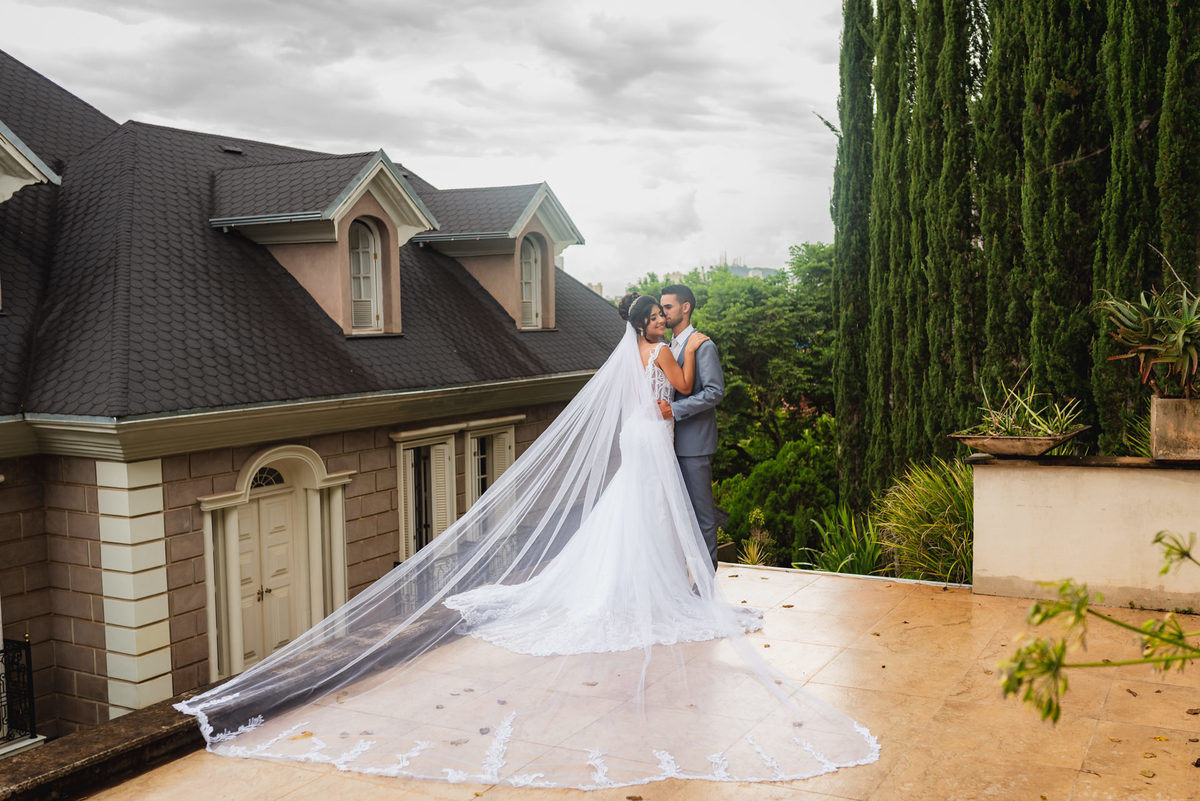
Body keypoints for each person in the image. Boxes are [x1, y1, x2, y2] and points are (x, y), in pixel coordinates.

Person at [174, 297, 878, 789]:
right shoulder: (665, 350)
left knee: (633, 511)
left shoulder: (624, 350)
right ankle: (656, 585)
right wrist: (678, 364)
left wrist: (664, 387)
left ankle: (621, 583)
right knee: (655, 514)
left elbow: (645, 394)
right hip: (655, 434)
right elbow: (684, 386)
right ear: (650, 321)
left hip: (636, 438)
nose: (666, 319)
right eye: (660, 315)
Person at [658, 284, 724, 570]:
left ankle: (706, 586)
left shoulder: (703, 345)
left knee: (702, 516)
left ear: (685, 308)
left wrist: (674, 410)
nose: (663, 313)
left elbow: (714, 392)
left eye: (668, 307)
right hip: (665, 443)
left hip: (694, 445)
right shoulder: (664, 347)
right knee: (674, 516)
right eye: (661, 308)